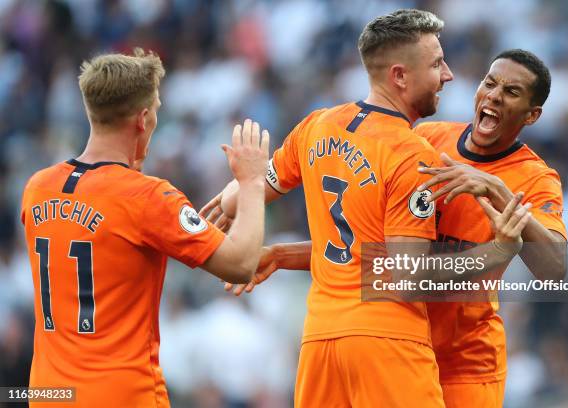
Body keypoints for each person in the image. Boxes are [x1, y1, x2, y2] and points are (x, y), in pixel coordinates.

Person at [207, 9, 530, 408]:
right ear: (399, 76)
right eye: (436, 64)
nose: (447, 74)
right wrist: (495, 253)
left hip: (321, 341)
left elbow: (241, 195)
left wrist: (232, 203)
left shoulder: (317, 126)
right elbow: (406, 275)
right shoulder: (411, 155)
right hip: (387, 342)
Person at [20, 48, 269, 407]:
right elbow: (242, 263)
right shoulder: (146, 197)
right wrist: (252, 182)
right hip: (122, 395)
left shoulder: (36, 188)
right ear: (143, 119)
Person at [413, 49, 567, 408]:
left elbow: (556, 269)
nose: (495, 95)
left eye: (511, 92)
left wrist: (496, 189)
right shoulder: (427, 138)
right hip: (403, 343)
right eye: (490, 83)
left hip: (467, 362)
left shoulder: (536, 178)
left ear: (532, 115)